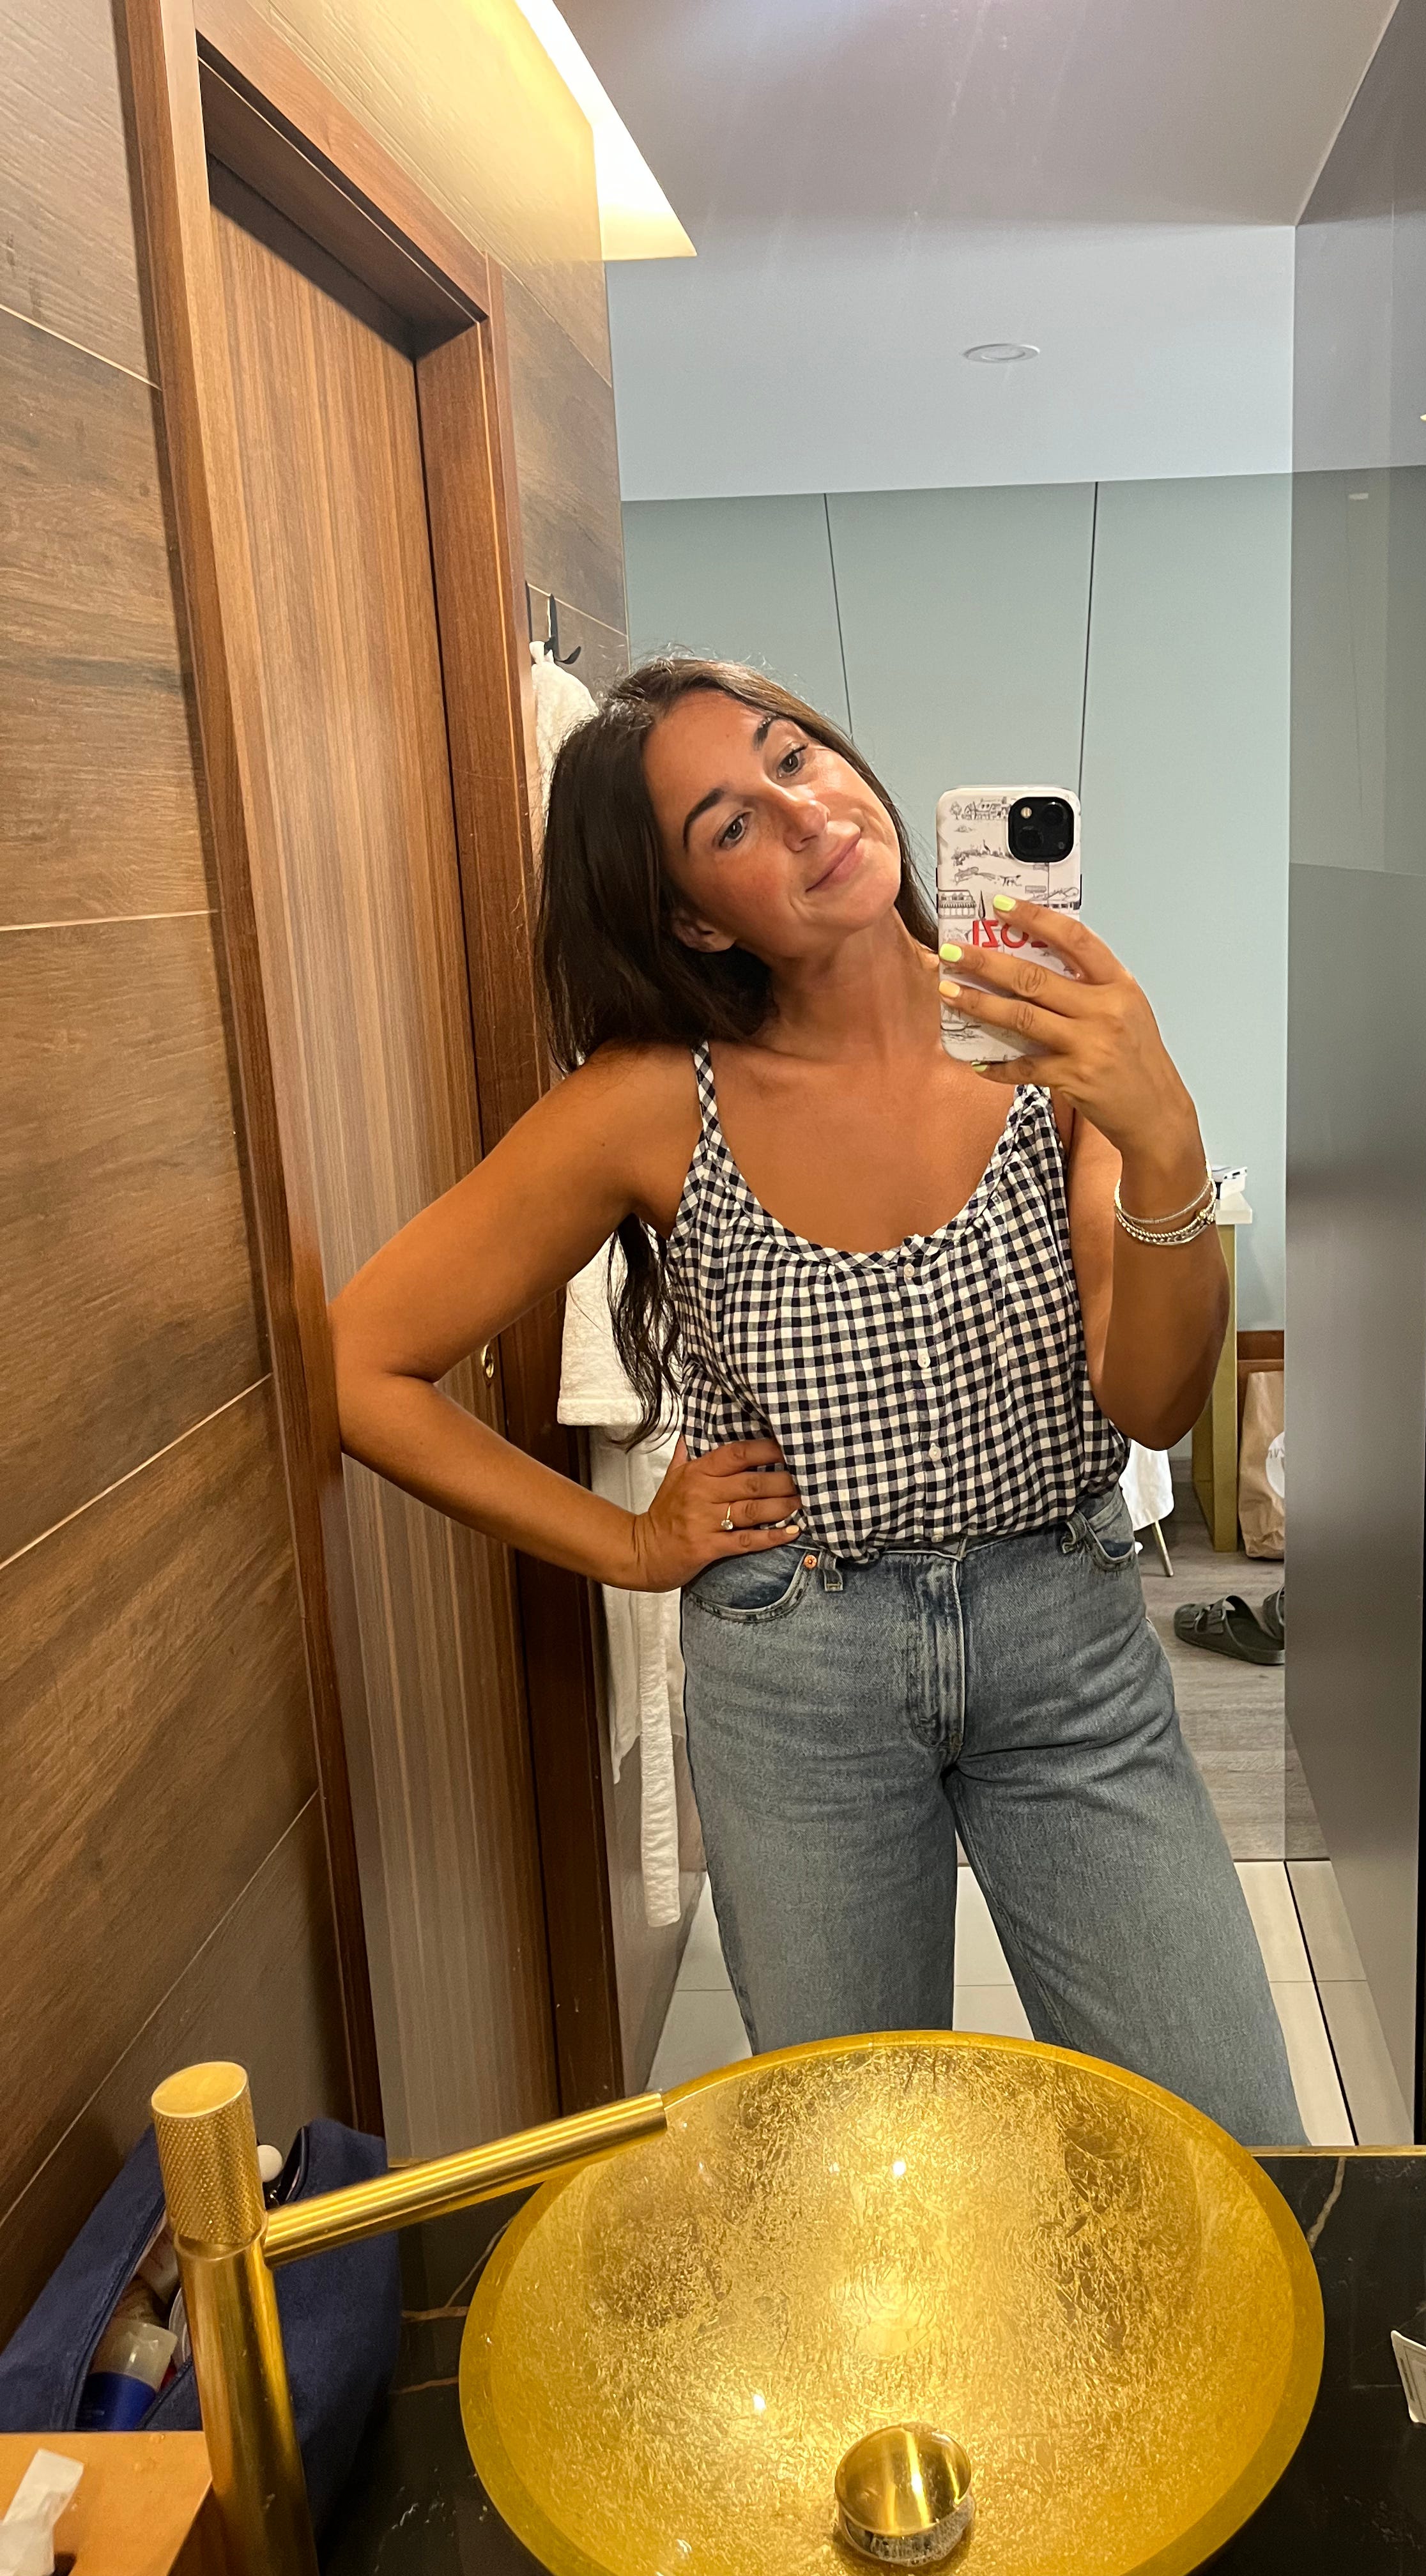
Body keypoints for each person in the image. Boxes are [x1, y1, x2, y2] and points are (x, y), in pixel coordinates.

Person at [330, 656, 1303, 2147]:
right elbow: (361, 1365)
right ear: (693, 918)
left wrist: (1161, 1134)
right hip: (801, 1679)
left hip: (1066, 1643)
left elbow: (1155, 1403)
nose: (804, 812)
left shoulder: (1050, 1045)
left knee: (1235, 2145)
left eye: (792, 756)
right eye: (728, 823)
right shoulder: (654, 1104)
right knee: (857, 2173)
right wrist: (628, 1546)